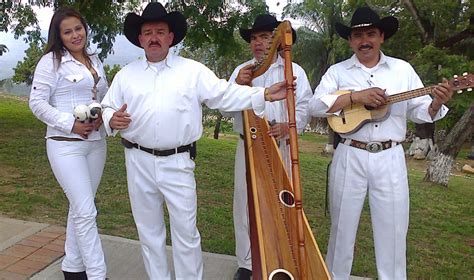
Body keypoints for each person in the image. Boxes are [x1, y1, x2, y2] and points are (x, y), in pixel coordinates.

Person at [100, 3, 289, 279]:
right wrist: (110, 119)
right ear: (140, 39)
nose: (154, 37)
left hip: (178, 162)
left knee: (185, 232)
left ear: (170, 37)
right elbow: (107, 106)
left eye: (160, 31)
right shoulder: (125, 75)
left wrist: (264, 96)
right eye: (148, 32)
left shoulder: (192, 71)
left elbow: (224, 94)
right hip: (137, 160)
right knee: (149, 231)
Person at [307, 6, 453, 280]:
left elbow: (420, 110)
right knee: (341, 232)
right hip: (350, 154)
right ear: (350, 40)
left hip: (390, 157)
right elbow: (315, 105)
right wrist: (354, 97)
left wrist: (436, 102)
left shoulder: (402, 70)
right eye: (358, 35)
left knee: (394, 232)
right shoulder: (338, 72)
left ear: (381, 37)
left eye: (371, 34)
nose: (365, 41)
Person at [223, 14, 312, 280]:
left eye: (264, 37)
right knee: (244, 203)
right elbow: (224, 108)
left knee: (285, 200)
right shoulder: (242, 71)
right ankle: (247, 263)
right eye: (254, 38)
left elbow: (305, 107)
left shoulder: (294, 71)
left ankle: (282, 254)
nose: (258, 43)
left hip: (282, 146)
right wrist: (237, 85)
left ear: (275, 40)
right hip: (248, 147)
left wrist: (288, 127)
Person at [29, 7, 108, 280]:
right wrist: (70, 123)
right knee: (86, 211)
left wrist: (101, 118)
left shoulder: (95, 60)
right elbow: (36, 103)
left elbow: (104, 97)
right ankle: (97, 274)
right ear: (59, 36)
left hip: (96, 144)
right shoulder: (51, 62)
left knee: (80, 206)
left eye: (78, 28)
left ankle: (73, 268)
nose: (76, 35)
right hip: (65, 144)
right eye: (68, 31)